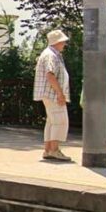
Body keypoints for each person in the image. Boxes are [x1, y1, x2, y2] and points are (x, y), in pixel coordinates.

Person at [33, 29, 72, 161]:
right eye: (63, 42)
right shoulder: (51, 55)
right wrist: (60, 93)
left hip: (49, 93)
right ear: (57, 42)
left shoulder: (50, 53)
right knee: (60, 121)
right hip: (52, 93)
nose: (64, 44)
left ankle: (48, 150)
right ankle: (54, 150)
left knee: (52, 121)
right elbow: (50, 74)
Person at [78, 52, 106, 160]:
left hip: (105, 97)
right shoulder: (91, 59)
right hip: (92, 97)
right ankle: (97, 149)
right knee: (94, 123)